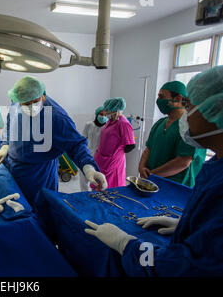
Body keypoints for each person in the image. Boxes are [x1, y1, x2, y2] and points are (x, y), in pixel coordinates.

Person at [84, 66, 223, 276]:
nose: (187, 116)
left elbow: (185, 267)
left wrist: (127, 245)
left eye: (191, 107)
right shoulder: (214, 168)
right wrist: (185, 224)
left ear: (215, 110)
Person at [0, 76, 107, 206]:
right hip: (13, 167)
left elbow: (76, 145)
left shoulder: (56, 116)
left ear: (43, 96)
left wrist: (89, 169)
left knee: (39, 212)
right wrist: (5, 146)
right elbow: (10, 123)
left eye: (34, 102)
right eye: (25, 104)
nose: (30, 106)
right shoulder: (17, 101)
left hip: (38, 175)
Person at [138, 81, 207, 187]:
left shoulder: (189, 126)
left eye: (162, 96)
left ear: (178, 98)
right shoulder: (160, 124)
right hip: (151, 182)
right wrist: (142, 167)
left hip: (176, 186)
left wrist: (152, 174)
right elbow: (148, 148)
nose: (158, 100)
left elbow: (183, 162)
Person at [93, 97, 135, 188]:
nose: (106, 113)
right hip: (102, 160)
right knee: (99, 187)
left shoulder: (123, 123)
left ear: (115, 110)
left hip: (113, 163)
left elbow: (130, 145)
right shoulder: (110, 121)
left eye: (108, 111)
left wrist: (116, 153)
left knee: (111, 189)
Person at [80, 106, 107, 191]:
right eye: (101, 114)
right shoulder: (89, 124)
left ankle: (95, 197)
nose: (103, 117)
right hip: (87, 154)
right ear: (97, 114)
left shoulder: (107, 128)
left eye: (105, 115)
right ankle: (84, 197)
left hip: (100, 157)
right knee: (84, 180)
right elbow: (82, 139)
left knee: (98, 181)